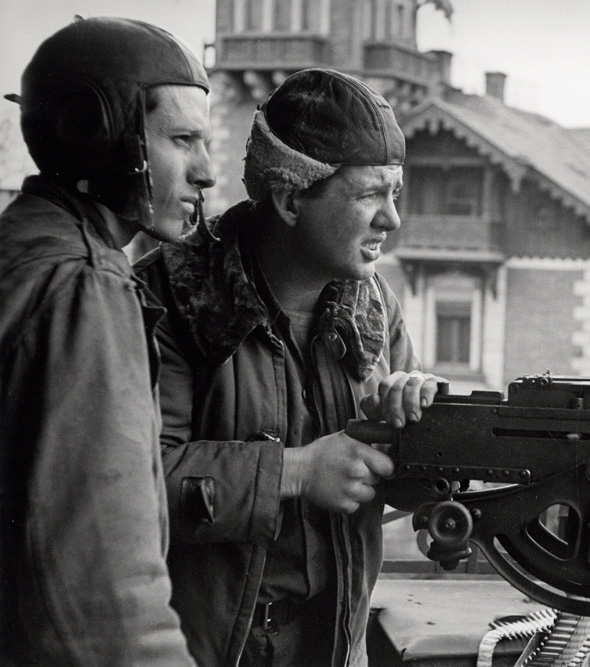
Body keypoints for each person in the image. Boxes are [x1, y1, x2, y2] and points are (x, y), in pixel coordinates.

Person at [135, 67, 446, 667]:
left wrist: (412, 433)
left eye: (395, 195)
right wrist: (298, 471)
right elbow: (133, 488)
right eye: (368, 196)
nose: (392, 219)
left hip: (334, 647)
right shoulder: (168, 298)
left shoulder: (374, 304)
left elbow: (390, 490)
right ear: (290, 198)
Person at [0, 16, 215, 666]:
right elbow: (109, 603)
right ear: (102, 138)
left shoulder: (23, 248)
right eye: (182, 139)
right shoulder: (86, 285)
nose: (206, 171)